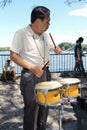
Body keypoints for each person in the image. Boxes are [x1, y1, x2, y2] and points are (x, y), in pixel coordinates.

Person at [10, 6, 62, 130]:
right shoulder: (21, 33)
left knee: (45, 107)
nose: (49, 24)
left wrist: (57, 49)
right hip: (30, 75)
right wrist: (32, 67)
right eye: (47, 21)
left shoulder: (46, 35)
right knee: (31, 109)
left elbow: (53, 47)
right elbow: (13, 55)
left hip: (45, 74)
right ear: (38, 21)